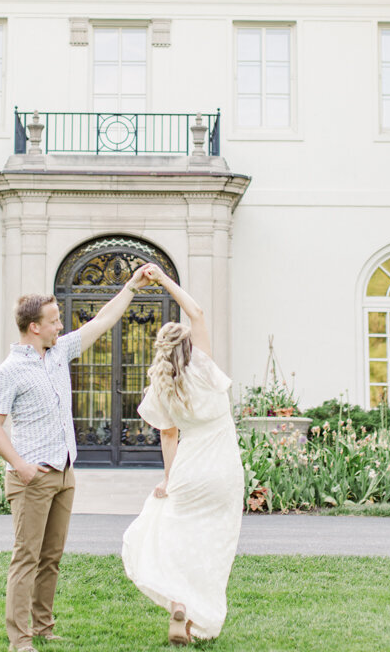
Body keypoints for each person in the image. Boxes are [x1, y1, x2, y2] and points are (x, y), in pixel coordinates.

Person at [0, 263, 151, 652]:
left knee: (51, 558)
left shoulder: (58, 354)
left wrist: (130, 286)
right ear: (33, 327)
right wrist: (22, 467)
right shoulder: (7, 372)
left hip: (63, 473)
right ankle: (19, 639)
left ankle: (43, 627)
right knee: (26, 559)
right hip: (31, 477)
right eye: (55, 321)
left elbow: (102, 322)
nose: (61, 326)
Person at [122, 264, 244, 646]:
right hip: (223, 470)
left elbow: (169, 437)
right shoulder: (204, 367)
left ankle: (179, 606)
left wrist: (168, 479)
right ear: (189, 345)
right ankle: (194, 616)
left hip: (189, 471)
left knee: (176, 538)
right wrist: (164, 280)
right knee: (213, 542)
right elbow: (197, 312)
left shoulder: (162, 388)